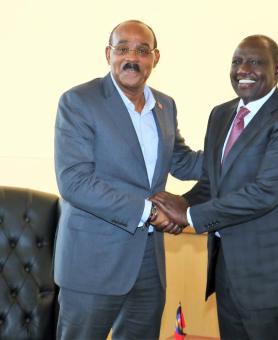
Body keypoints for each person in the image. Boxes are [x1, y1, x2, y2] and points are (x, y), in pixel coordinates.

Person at [150, 35, 278, 339]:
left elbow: (265, 192)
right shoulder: (221, 114)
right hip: (228, 271)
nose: (243, 69)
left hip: (273, 276)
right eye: (236, 61)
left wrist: (189, 217)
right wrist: (178, 205)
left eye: (255, 62)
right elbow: (213, 182)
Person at [53, 20, 202, 340]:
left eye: (142, 50)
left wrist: (234, 152)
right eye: (122, 49)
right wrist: (149, 211)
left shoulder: (164, 105)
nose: (131, 57)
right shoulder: (79, 102)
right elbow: (74, 182)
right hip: (92, 261)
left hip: (148, 263)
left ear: (155, 58)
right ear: (108, 54)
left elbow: (182, 160)